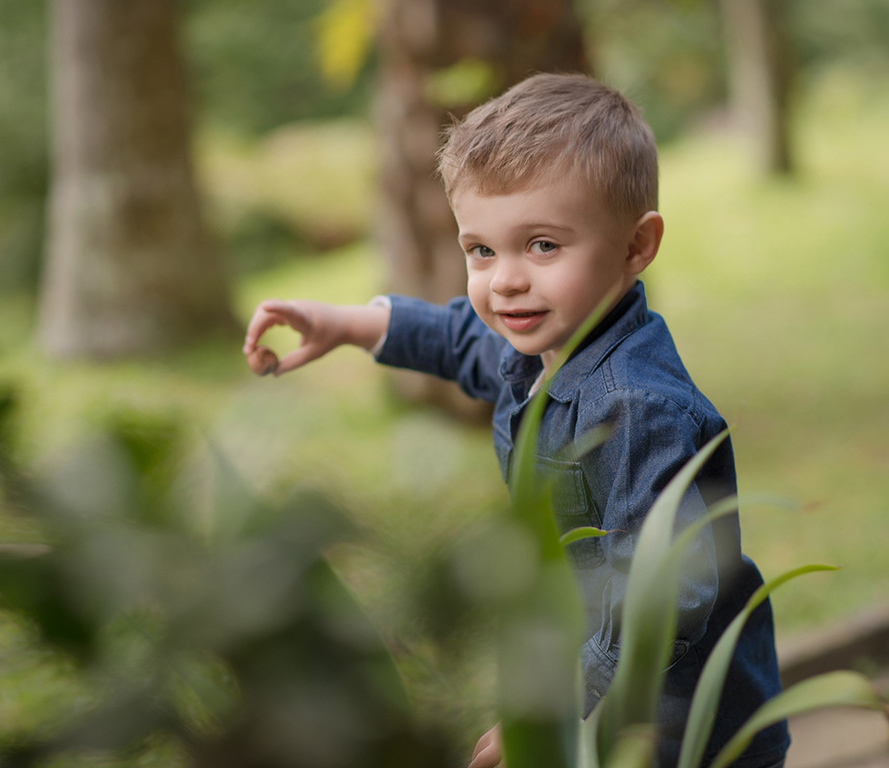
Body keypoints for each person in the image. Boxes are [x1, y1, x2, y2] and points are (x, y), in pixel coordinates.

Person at [242, 73, 789, 768]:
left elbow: (663, 602)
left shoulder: (639, 409)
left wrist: (553, 706)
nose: (504, 280)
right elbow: (458, 339)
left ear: (635, 246)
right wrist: (348, 324)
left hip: (688, 732)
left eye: (541, 246)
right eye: (482, 250)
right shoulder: (540, 348)